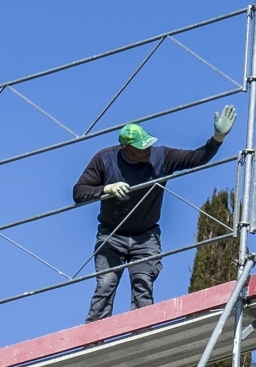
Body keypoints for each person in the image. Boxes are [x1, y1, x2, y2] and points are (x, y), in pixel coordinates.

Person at [73, 106, 237, 322]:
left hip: (146, 237)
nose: (147, 150)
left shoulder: (162, 156)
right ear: (125, 148)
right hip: (111, 236)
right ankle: (94, 339)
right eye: (141, 148)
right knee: (106, 284)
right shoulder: (105, 160)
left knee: (143, 285)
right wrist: (106, 189)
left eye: (148, 144)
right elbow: (79, 192)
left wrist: (217, 138)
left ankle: (141, 331)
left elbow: (197, 157)